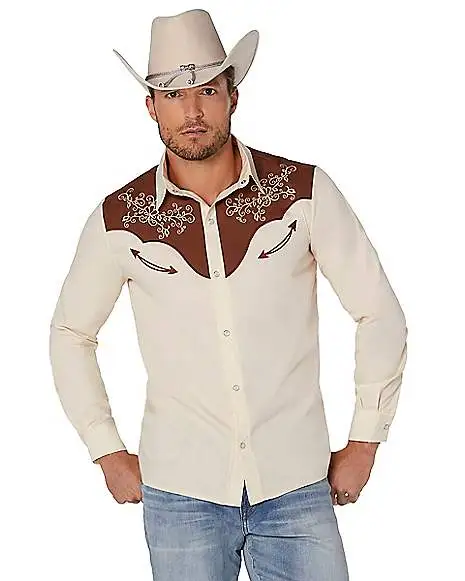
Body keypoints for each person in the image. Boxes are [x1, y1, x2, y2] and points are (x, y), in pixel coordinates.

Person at [49, 8, 408, 581]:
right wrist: (104, 447)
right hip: (180, 493)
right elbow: (70, 333)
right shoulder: (119, 218)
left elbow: (378, 310)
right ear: (151, 106)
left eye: (207, 91)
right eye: (173, 95)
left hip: (296, 483)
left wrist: (366, 438)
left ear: (232, 96)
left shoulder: (303, 193)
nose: (191, 112)